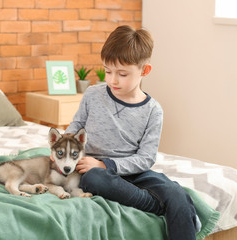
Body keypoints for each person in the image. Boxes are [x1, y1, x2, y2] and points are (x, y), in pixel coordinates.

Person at [65, 25, 201, 240]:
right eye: (108, 71)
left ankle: (167, 205)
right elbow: (75, 127)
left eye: (122, 74)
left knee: (175, 192)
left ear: (144, 71)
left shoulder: (153, 110)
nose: (112, 80)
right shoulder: (93, 94)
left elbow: (146, 158)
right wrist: (63, 150)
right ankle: (155, 206)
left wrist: (109, 164)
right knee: (94, 179)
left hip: (135, 173)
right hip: (94, 168)